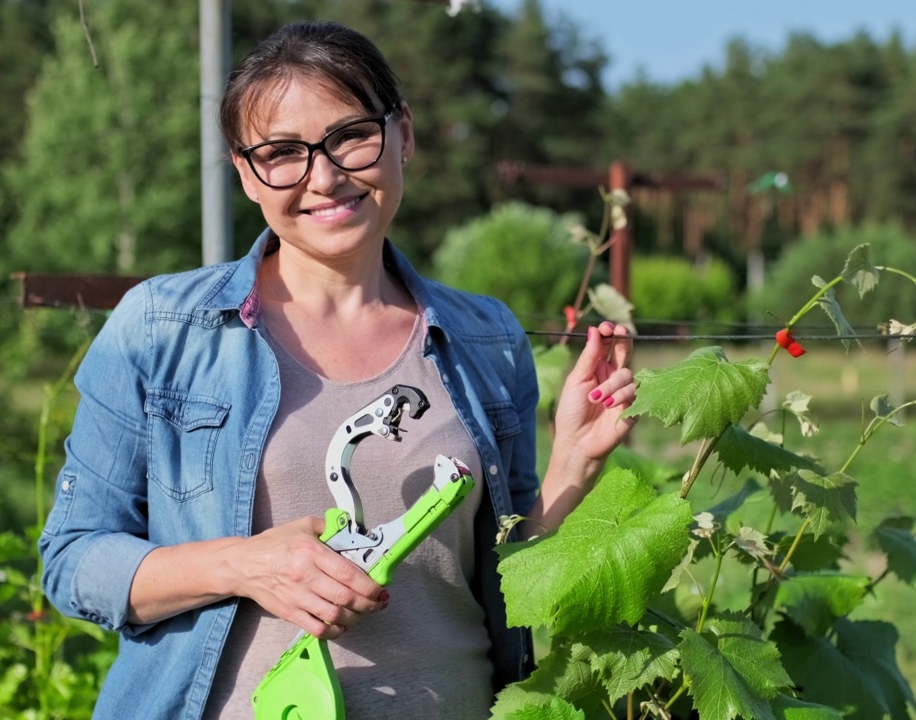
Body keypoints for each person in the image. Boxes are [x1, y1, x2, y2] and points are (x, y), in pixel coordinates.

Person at [38, 20, 636, 720]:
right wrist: (246, 564)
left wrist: (571, 468)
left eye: (351, 135)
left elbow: (508, 577)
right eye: (282, 153)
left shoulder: (485, 337)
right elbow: (73, 560)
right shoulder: (161, 329)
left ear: (403, 134)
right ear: (244, 173)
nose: (324, 177)